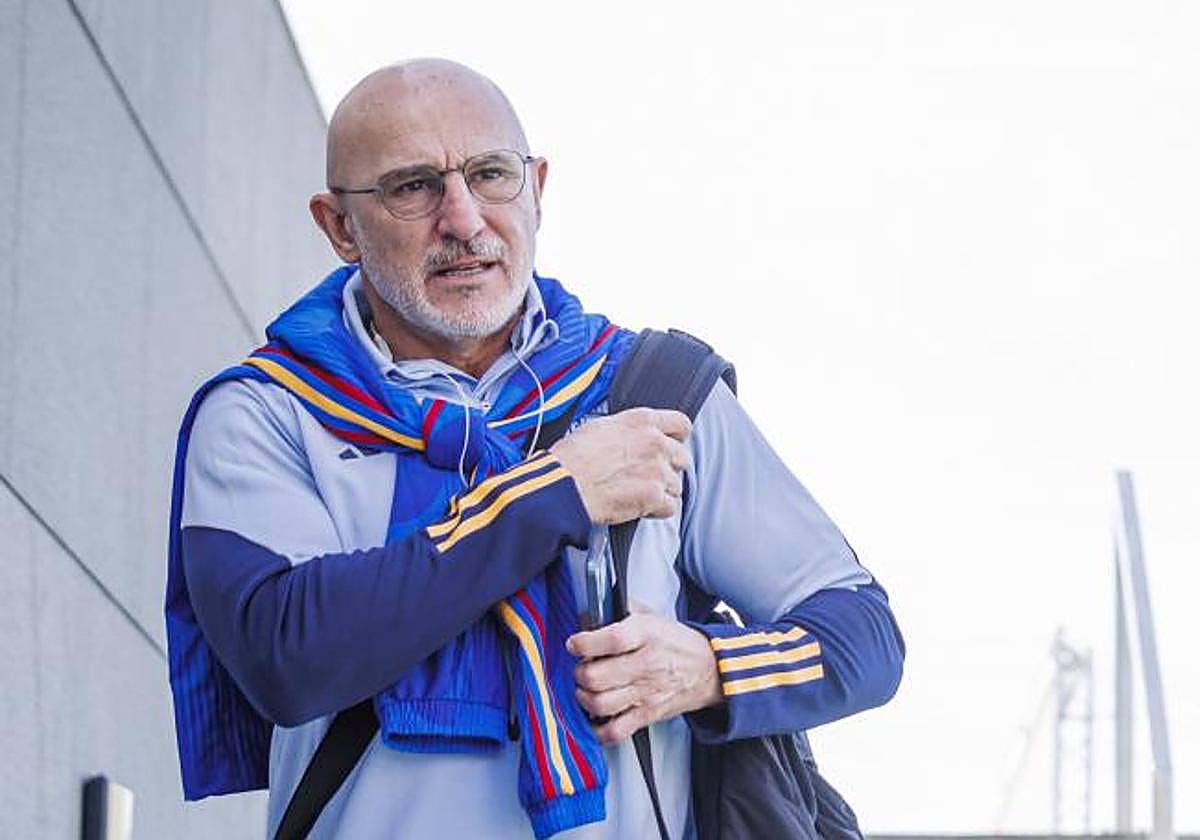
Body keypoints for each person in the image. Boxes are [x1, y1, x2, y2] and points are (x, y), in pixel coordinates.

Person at [165, 58, 905, 839]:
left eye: (490, 175)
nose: (463, 220)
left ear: (538, 189)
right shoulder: (265, 412)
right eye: (412, 187)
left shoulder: (654, 393)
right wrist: (551, 493)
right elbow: (286, 658)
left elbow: (863, 635)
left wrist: (708, 668)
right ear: (339, 226)